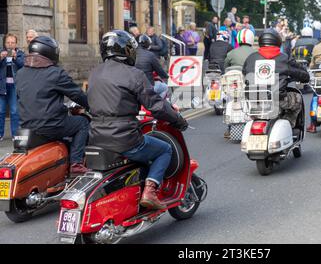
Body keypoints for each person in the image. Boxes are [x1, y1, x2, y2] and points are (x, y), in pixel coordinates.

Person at [88, 30, 188, 210]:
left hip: (95, 137)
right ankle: (150, 191)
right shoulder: (134, 74)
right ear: (127, 51)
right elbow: (156, 105)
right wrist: (178, 120)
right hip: (124, 138)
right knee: (164, 149)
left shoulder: (94, 73)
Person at [15, 36, 90, 174]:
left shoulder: (20, 73)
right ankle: (76, 163)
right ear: (51, 53)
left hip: (26, 126)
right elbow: (77, 95)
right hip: (50, 125)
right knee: (82, 123)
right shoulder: (55, 73)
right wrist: (91, 106)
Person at [242, 29, 310, 128]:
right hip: (278, 100)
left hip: (254, 100)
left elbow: (244, 73)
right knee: (297, 99)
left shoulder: (251, 58)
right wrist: (305, 77)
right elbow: (299, 72)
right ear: (277, 41)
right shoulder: (284, 58)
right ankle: (288, 126)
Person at [0, 34, 25, 140]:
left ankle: (15, 134)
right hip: (2, 86)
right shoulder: (1, 53)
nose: (10, 45)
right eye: (8, 42)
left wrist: (15, 58)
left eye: (12, 43)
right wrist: (1, 58)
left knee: (14, 111)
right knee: (0, 111)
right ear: (4, 43)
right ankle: (0, 134)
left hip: (14, 86)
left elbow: (23, 65)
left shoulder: (20, 53)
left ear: (16, 44)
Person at [135, 34, 170, 98]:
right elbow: (159, 70)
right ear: (147, 44)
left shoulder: (131, 53)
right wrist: (166, 76)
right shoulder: (150, 55)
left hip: (134, 86)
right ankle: (157, 104)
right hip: (147, 86)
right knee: (165, 87)